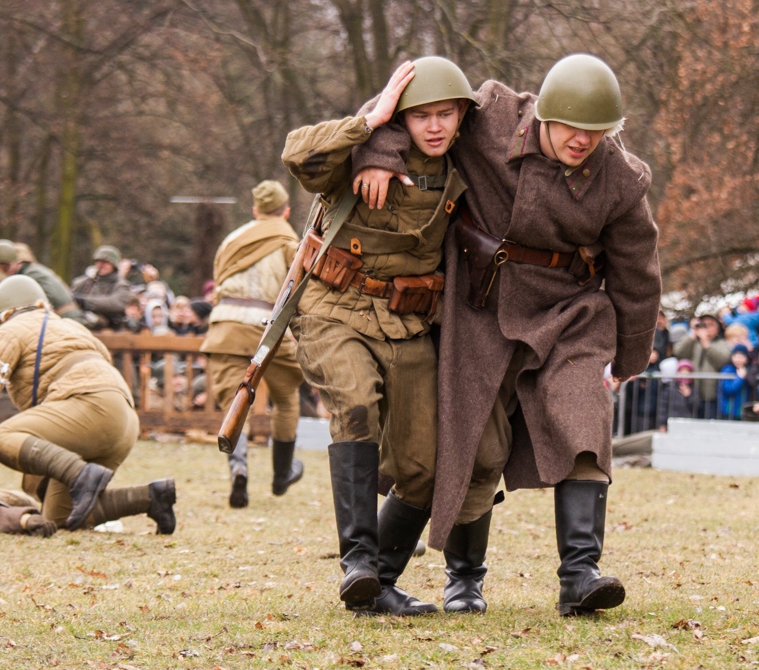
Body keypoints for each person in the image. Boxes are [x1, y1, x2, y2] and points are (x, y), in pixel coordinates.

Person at [354, 53, 662, 617]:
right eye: (570, 127)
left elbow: (637, 271)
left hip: (570, 311)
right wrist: (377, 155)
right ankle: (459, 579)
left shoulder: (620, 179)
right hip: (479, 305)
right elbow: (413, 114)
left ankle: (581, 576)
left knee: (583, 421)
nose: (582, 140)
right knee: (476, 447)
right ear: (544, 114)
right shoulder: (491, 116)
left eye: (597, 131)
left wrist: (630, 356)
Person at [282, 57, 471, 616]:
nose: (434, 126)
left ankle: (376, 584)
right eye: (420, 115)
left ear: (461, 117)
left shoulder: (465, 167)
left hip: (406, 320)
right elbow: (297, 153)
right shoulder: (361, 153)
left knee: (423, 466)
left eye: (446, 114)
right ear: (402, 118)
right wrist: (372, 123)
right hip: (333, 309)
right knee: (355, 403)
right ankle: (358, 562)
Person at [0, 275, 176, 534]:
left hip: (87, 406)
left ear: (5, 314)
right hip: (123, 417)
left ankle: (81, 474)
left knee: (1, 438)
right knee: (59, 518)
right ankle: (150, 498)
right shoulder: (72, 326)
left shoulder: (12, 329)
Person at [200, 179, 305, 509]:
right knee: (287, 399)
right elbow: (300, 289)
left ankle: (239, 468)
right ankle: (282, 474)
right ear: (286, 211)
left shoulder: (231, 240)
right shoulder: (291, 242)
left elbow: (218, 282)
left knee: (234, 402)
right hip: (267, 332)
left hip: (226, 328)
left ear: (255, 210)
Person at [0, 239, 84, 323]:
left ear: (18, 262)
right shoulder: (34, 271)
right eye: (2, 268)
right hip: (66, 318)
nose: (5, 271)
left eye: (7, 266)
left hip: (66, 319)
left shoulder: (30, 276)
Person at [673, 315, 731, 418]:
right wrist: (692, 335)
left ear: (717, 328)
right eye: (703, 324)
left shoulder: (721, 342)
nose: (706, 327)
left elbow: (723, 360)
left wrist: (706, 343)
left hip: (711, 396)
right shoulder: (693, 341)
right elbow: (678, 352)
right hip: (691, 393)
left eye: (710, 324)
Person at [71, 245, 134, 330]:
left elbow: (116, 303)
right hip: (83, 327)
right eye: (98, 262)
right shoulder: (83, 283)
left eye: (105, 262)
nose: (101, 265)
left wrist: (85, 302)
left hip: (112, 330)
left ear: (114, 265)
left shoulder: (121, 285)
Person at [658, 360, 699, 429]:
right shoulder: (670, 388)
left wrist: (688, 396)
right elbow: (663, 407)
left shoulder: (693, 389)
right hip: (671, 422)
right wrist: (662, 424)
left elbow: (696, 406)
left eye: (687, 371)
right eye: (682, 371)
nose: (684, 374)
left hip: (688, 424)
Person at [717, 345, 751, 420]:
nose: (738, 359)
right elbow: (728, 389)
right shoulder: (727, 370)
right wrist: (740, 378)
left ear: (746, 359)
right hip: (729, 410)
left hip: (742, 410)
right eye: (736, 356)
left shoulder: (748, 371)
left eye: (741, 357)